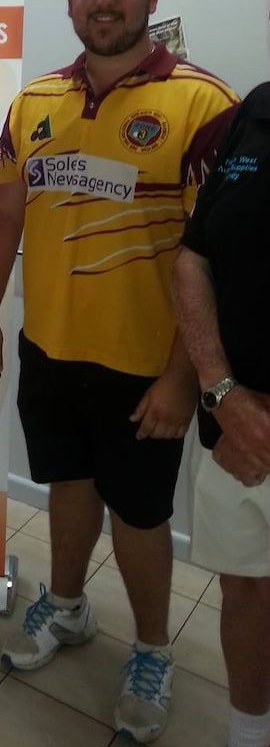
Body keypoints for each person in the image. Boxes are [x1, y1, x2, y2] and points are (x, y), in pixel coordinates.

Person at [0, 0, 238, 742]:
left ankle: (152, 648)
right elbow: (4, 209)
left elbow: (217, 258)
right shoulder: (36, 101)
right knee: (67, 486)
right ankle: (71, 606)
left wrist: (182, 377)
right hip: (50, 348)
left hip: (143, 369)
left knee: (143, 516)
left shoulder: (203, 105)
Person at [173, 84, 270, 747]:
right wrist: (221, 391)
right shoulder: (255, 113)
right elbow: (194, 253)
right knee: (249, 594)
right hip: (239, 430)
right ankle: (247, 732)